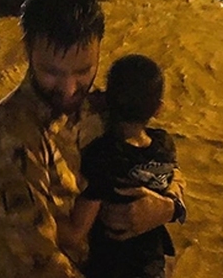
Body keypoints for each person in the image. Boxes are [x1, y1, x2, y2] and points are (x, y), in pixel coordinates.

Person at [0, 0, 186, 278]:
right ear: (27, 50)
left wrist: (167, 207)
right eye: (52, 72)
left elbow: (160, 159)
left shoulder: (101, 109)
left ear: (99, 50)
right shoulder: (8, 141)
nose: (69, 89)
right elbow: (36, 263)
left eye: (83, 70)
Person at [58, 54, 182, 278]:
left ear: (106, 99)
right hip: (153, 266)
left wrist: (33, 218)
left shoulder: (103, 155)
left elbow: (76, 232)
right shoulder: (165, 146)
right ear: (158, 109)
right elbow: (175, 179)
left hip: (111, 268)